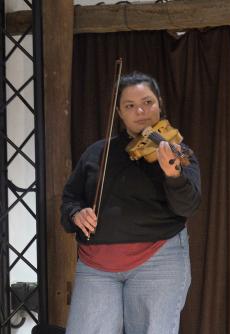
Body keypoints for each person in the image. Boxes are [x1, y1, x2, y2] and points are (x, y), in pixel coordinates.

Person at [60, 72, 201, 334]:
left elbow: (189, 206)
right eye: (130, 106)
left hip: (159, 259)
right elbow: (70, 199)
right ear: (119, 112)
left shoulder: (177, 152)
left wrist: (172, 175)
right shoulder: (96, 153)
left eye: (148, 102)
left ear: (159, 103)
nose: (140, 111)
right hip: (96, 265)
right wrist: (76, 214)